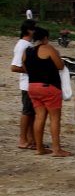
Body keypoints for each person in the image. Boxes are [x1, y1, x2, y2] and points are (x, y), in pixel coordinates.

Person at [24, 28, 70, 157]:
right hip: (49, 87)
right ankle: (57, 149)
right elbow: (60, 66)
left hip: (32, 87)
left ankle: (39, 148)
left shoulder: (27, 51)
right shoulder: (48, 48)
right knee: (55, 118)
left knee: (39, 117)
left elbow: (26, 69)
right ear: (45, 38)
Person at [11, 20, 37, 149]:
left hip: (30, 84)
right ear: (29, 30)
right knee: (27, 112)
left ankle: (31, 139)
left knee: (31, 113)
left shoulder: (26, 44)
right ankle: (22, 139)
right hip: (26, 84)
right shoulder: (23, 45)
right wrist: (31, 70)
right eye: (34, 28)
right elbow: (14, 67)